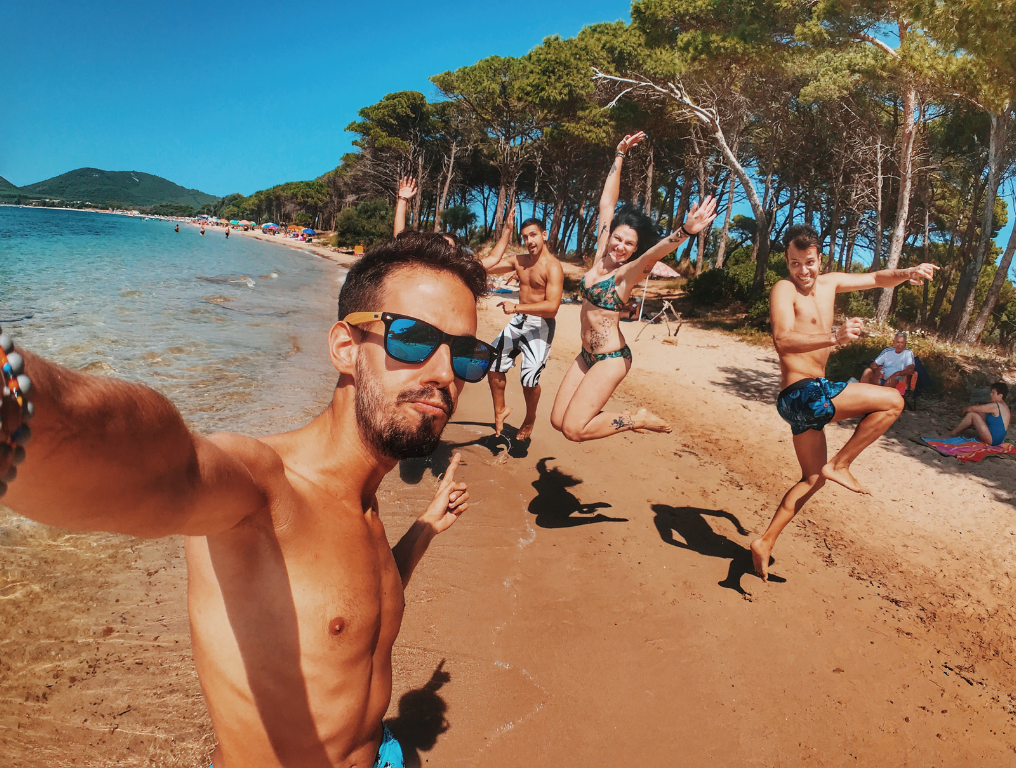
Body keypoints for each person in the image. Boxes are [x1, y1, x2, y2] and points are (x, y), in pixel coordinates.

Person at [0, 232, 496, 768]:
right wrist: (20, 397)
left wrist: (424, 527)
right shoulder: (263, 489)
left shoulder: (365, 503)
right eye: (413, 338)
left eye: (465, 355)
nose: (445, 374)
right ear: (345, 349)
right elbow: (166, 467)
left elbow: (363, 602)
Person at [749, 225, 937, 581]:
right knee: (892, 401)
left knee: (812, 478)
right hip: (803, 392)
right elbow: (783, 340)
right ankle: (842, 464)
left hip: (802, 404)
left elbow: (876, 278)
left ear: (820, 259)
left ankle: (765, 541)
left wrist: (907, 272)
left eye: (809, 262)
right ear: (787, 262)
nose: (802, 271)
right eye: (794, 263)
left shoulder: (830, 283)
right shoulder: (783, 289)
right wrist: (834, 336)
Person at [549, 131, 717, 441]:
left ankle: (635, 418)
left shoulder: (626, 274)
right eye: (618, 238)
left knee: (573, 429)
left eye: (629, 244)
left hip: (611, 359)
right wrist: (620, 154)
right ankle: (603, 416)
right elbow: (607, 202)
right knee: (558, 420)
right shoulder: (601, 254)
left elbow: (655, 253)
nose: (621, 246)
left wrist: (686, 230)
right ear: (609, 235)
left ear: (634, 249)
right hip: (586, 355)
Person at [480, 206, 564, 440]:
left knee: (529, 379)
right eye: (525, 237)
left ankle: (530, 417)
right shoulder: (520, 261)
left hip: (540, 326)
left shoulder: (553, 267)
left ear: (544, 235)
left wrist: (516, 307)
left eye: (533, 235)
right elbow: (487, 266)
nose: (529, 241)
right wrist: (507, 230)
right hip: (519, 321)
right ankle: (500, 410)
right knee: (492, 362)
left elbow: (552, 307)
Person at [393, 176, 457, 248]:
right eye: (441, 241)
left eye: (448, 246)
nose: (444, 246)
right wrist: (403, 200)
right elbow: (399, 240)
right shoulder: (419, 253)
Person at [946, 382, 1010, 445]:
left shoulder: (996, 406)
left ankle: (954, 433)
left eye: (993, 393)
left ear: (1000, 396)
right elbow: (980, 409)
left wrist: (964, 410)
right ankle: (963, 427)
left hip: (992, 440)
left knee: (972, 415)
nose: (990, 394)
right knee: (980, 412)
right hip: (998, 440)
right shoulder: (1003, 405)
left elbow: (972, 408)